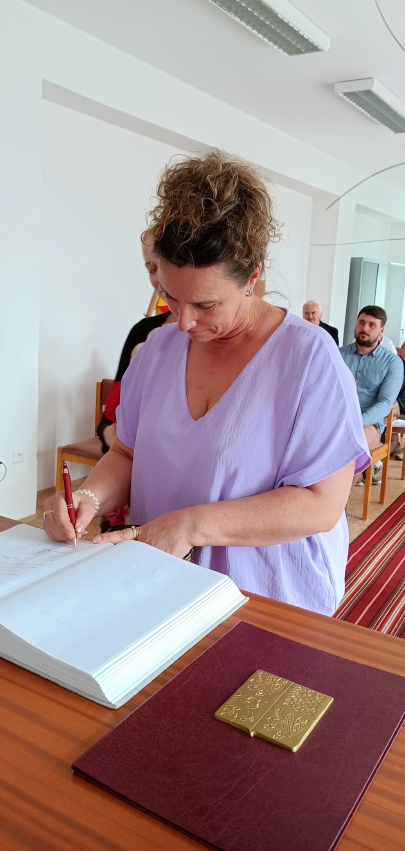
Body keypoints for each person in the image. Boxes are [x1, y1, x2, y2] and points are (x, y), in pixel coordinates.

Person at [43, 150, 370, 616]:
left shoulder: (308, 359)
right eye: (171, 299)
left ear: (252, 277)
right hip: (160, 583)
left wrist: (191, 525)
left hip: (266, 598)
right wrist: (88, 497)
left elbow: (321, 505)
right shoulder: (157, 350)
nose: (184, 323)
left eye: (206, 305)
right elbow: (127, 453)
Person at [96, 232, 176, 529]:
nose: (159, 279)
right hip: (130, 490)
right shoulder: (143, 333)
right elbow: (109, 418)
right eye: (151, 268)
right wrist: (117, 443)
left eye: (164, 266)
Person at [339, 305, 403, 483]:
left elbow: (385, 403)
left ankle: (340, 499)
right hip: (336, 418)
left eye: (371, 325)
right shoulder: (338, 354)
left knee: (349, 446)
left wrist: (356, 421)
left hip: (369, 425)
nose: (365, 328)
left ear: (381, 331)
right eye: (361, 322)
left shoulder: (392, 362)